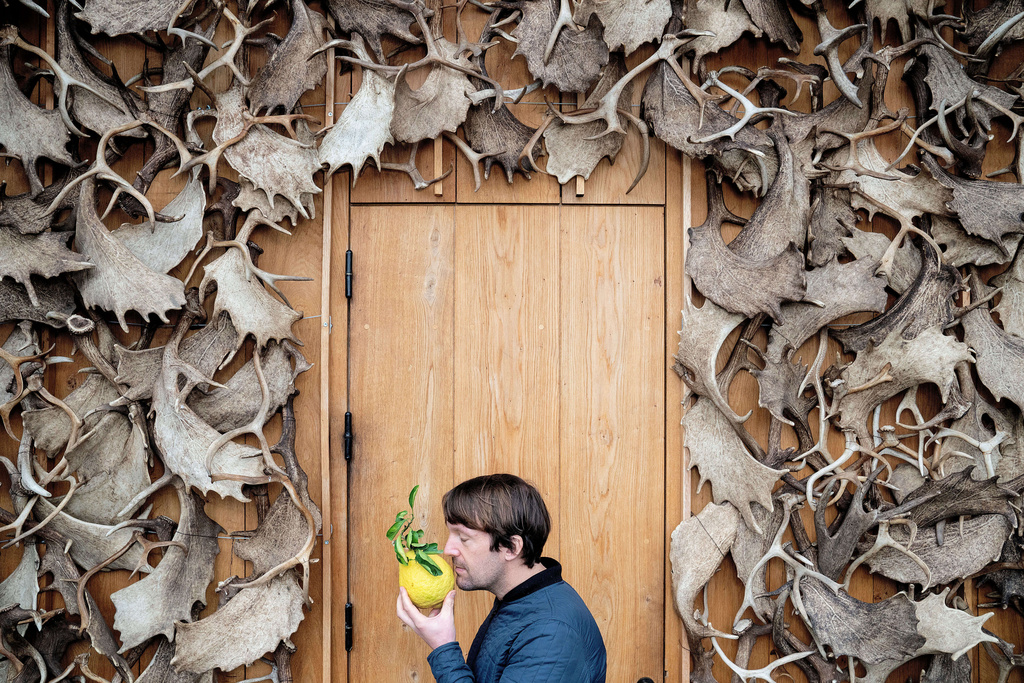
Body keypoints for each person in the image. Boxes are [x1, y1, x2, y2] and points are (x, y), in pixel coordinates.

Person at [396, 473, 607, 683]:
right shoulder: (520, 600)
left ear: (511, 547)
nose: (449, 550)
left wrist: (443, 648)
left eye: (463, 538)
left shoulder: (551, 634)